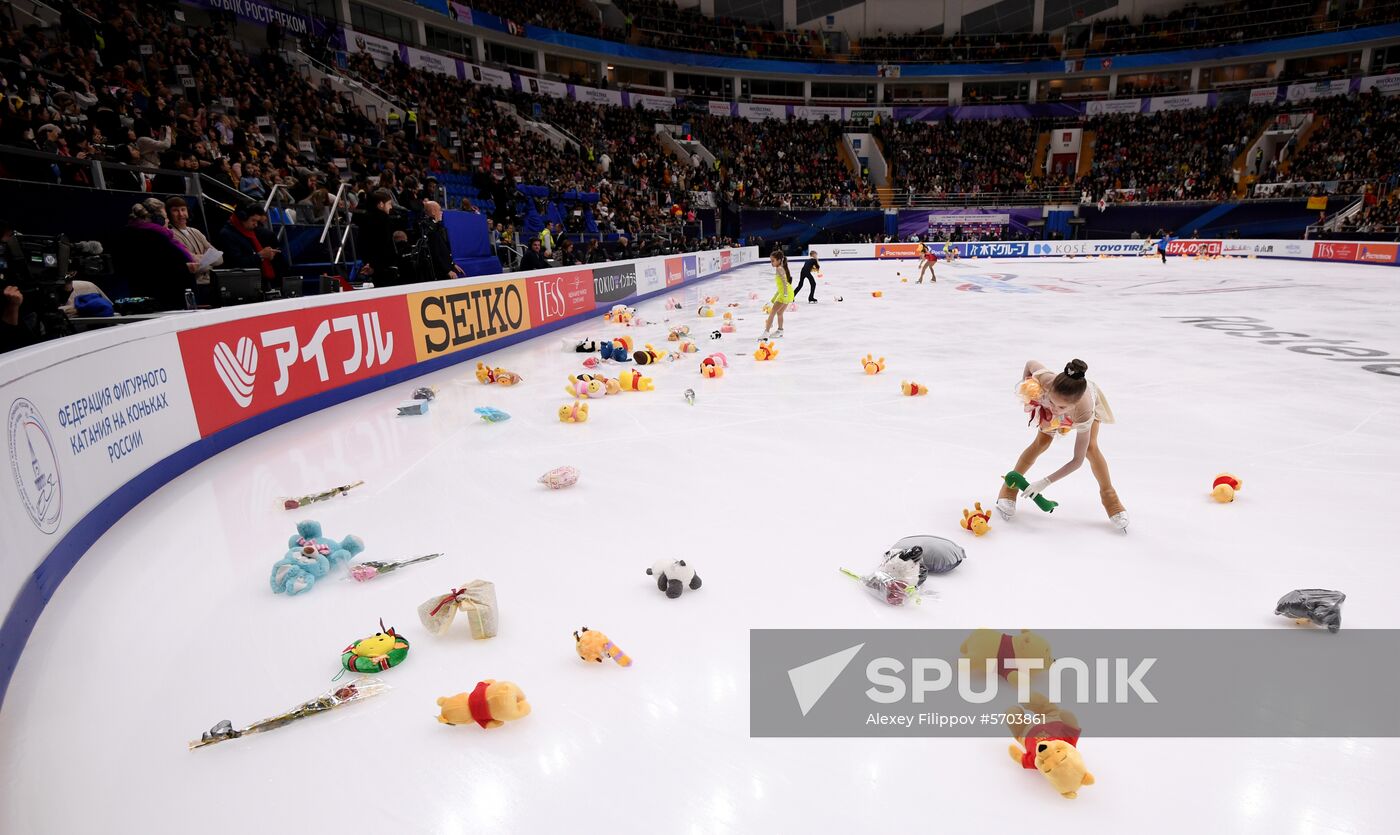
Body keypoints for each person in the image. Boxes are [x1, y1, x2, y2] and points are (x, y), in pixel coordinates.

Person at [996, 359, 1127, 533]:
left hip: (1082, 410)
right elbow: (1030, 363)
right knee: (1041, 443)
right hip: (1059, 398)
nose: (1055, 409)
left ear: (1074, 404)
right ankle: (1008, 488)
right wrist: (1028, 391)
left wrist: (1044, 482)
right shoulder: (1048, 380)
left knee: (1090, 449)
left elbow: (1077, 461)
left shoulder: (1083, 410)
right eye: (1052, 401)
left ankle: (1110, 498)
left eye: (1061, 406)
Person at [215, 206, 281, 284]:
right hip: (240, 282)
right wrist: (260, 256)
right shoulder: (227, 234)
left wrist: (268, 255)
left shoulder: (252, 231)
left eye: (257, 221)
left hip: (257, 279)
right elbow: (236, 264)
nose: (256, 224)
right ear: (242, 218)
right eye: (253, 220)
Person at [165, 197, 221, 288]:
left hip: (209, 282)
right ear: (168, 214)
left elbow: (219, 259)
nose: (181, 214)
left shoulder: (196, 231)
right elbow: (189, 264)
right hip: (190, 284)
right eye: (175, 210)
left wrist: (200, 260)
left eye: (183, 209)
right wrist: (208, 261)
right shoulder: (170, 234)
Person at [354, 188, 400, 284]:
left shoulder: (365, 218)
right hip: (384, 267)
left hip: (371, 264)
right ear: (380, 204)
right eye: (389, 204)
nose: (391, 207)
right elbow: (384, 244)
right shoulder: (384, 220)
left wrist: (369, 263)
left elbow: (361, 244)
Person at [420, 200, 461, 281]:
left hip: (445, 268)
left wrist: (452, 264)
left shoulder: (437, 227)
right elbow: (435, 254)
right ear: (433, 212)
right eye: (439, 210)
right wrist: (448, 270)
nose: (441, 212)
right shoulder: (430, 230)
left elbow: (444, 250)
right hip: (440, 274)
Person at [760, 250, 794, 340]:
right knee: (779, 313)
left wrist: (785, 294)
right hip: (788, 293)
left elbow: (784, 282)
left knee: (772, 313)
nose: (771, 263)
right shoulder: (780, 268)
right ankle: (780, 331)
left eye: (773, 261)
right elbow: (780, 287)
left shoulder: (779, 269)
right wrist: (773, 299)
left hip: (785, 293)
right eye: (771, 261)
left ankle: (766, 333)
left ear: (779, 260)